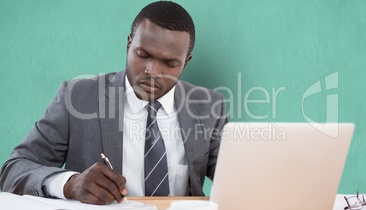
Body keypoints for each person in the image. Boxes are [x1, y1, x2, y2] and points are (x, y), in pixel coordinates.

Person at [0, 1, 228, 205]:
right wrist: (70, 184)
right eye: (143, 54)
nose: (152, 71)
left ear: (185, 62)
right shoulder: (77, 97)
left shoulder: (208, 106)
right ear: (129, 45)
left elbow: (238, 178)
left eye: (169, 63)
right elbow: (13, 170)